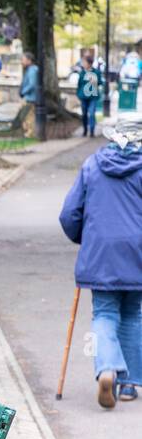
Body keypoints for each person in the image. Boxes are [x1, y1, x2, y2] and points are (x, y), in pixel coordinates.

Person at [58, 116, 142, 407]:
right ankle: (129, 383)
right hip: (138, 253)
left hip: (100, 253)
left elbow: (69, 214)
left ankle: (107, 369)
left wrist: (86, 239)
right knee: (133, 314)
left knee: (105, 313)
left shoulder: (92, 165)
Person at [73, 49, 105, 138]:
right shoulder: (82, 73)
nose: (83, 64)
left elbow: (100, 83)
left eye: (84, 62)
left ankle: (91, 131)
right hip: (83, 97)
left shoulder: (96, 72)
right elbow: (79, 84)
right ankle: (85, 130)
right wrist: (78, 94)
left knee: (91, 113)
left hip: (93, 97)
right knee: (84, 114)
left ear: (89, 63)